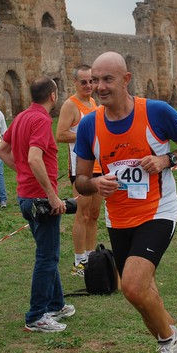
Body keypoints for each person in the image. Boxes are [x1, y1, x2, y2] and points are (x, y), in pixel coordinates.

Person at [74, 52, 177, 353]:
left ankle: (169, 345)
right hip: (118, 218)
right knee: (143, 293)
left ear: (126, 79)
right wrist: (95, 183)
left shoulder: (156, 112)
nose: (99, 87)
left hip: (158, 210)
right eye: (94, 81)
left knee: (131, 286)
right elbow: (79, 180)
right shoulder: (90, 124)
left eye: (107, 79)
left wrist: (165, 160)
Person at [0, 76, 75, 333]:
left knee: (47, 251)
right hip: (40, 199)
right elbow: (33, 158)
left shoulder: (20, 117)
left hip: (26, 195)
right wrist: (52, 195)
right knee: (47, 257)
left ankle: (57, 304)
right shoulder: (41, 119)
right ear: (53, 96)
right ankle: (36, 316)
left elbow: (1, 151)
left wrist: (23, 175)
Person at [55, 64, 103, 276]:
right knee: (81, 215)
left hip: (99, 165)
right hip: (81, 168)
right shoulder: (70, 105)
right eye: (83, 81)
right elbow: (61, 134)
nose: (88, 85)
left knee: (94, 214)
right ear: (74, 82)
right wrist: (85, 136)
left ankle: (92, 258)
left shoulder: (93, 102)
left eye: (91, 81)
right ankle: (78, 262)